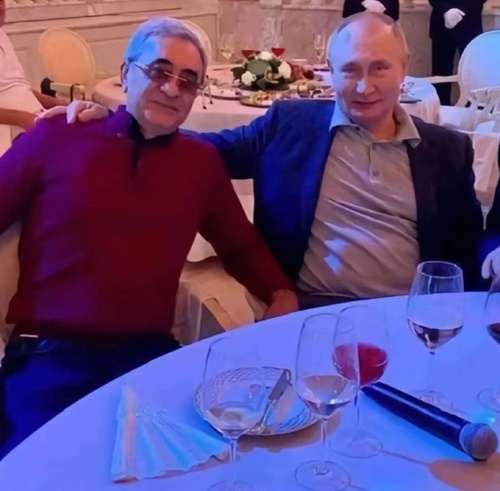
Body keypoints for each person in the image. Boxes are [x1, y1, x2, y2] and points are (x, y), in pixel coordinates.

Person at [0, 17, 297, 459]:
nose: (172, 88)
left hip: (147, 359)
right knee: (33, 469)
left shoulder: (199, 164)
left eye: (187, 80)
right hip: (49, 356)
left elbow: (240, 245)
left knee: (213, 464)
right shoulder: (56, 136)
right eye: (159, 71)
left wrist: (280, 292)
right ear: (126, 74)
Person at [45, 12, 484, 308]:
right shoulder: (291, 125)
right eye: (349, 70)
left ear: (404, 68)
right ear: (329, 72)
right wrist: (118, 122)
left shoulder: (447, 150)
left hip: (405, 315)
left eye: (379, 68)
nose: (364, 86)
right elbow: (197, 149)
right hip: (311, 313)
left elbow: (470, 246)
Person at [0, 0, 66, 133]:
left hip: (37, 119)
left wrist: (59, 104)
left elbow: (18, 87)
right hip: (13, 132)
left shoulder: (2, 35)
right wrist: (22, 119)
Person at [429, 0, 487, 105]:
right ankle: (440, 110)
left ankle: (472, 110)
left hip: (471, 24)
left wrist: (462, 11)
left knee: (471, 74)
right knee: (441, 73)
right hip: (441, 24)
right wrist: (445, 11)